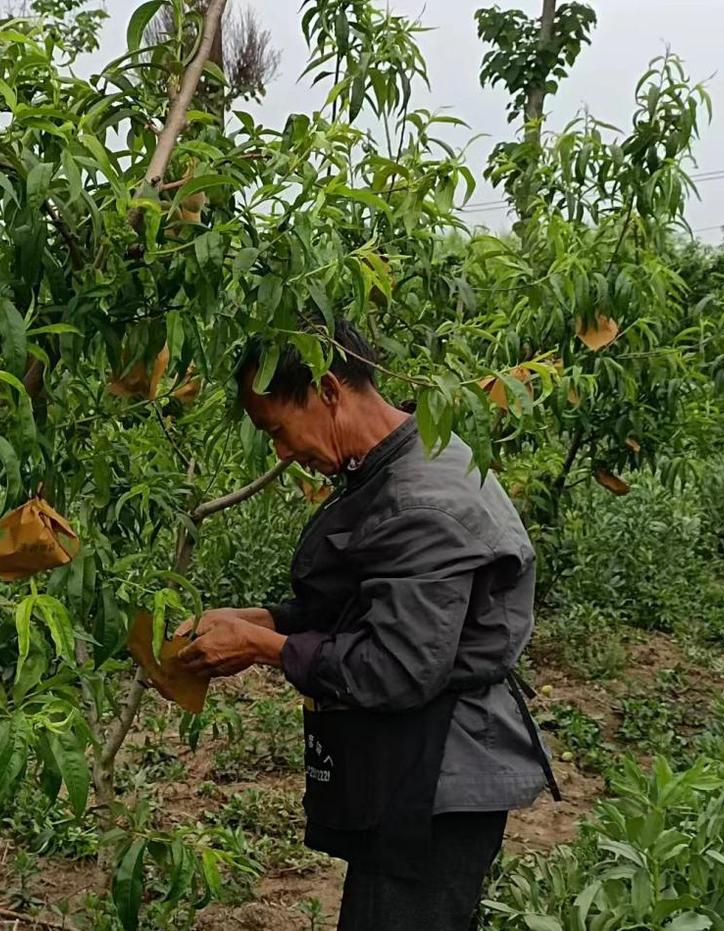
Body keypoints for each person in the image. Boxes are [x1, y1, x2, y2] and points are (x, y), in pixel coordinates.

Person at [177, 319, 558, 930]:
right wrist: (268, 619)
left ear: (329, 391)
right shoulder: (410, 452)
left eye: (277, 430)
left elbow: (396, 667)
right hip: (419, 767)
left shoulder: (422, 501)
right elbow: (378, 602)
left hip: (439, 778)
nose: (281, 453)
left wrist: (262, 646)